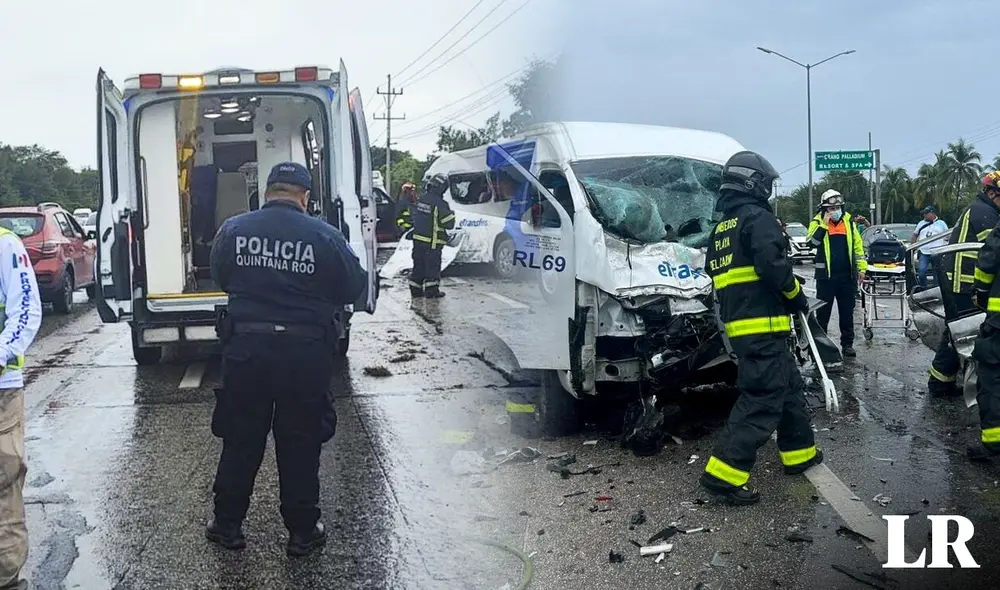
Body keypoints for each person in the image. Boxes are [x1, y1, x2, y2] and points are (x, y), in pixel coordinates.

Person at [206, 162, 367, 557]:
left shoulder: (235, 229)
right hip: (304, 354)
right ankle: (302, 532)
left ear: (268, 191)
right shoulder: (325, 236)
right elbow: (354, 286)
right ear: (304, 196)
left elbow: (220, 275)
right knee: (300, 441)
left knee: (241, 438)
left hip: (247, 352)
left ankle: (227, 525)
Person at [700, 150, 821, 506]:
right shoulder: (757, 218)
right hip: (764, 327)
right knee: (763, 398)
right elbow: (774, 269)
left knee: (789, 390)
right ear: (753, 182)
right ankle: (722, 475)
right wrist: (797, 295)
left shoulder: (722, 229)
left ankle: (800, 455)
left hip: (742, 328)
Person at [927, 173, 1000, 395]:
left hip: (961, 282)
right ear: (991, 193)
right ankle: (941, 382)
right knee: (964, 333)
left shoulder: (983, 209)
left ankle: (941, 380)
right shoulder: (984, 212)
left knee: (956, 332)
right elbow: (993, 251)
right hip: (966, 283)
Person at [0, 226, 41, 590]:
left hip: (0, 392)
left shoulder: (6, 246)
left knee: (3, 484)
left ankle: (7, 579)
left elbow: (26, 311)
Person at [806, 189, 867, 357]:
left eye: (837, 207)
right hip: (825, 277)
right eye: (831, 209)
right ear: (824, 209)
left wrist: (862, 268)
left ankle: (847, 344)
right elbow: (812, 243)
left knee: (847, 313)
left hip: (846, 276)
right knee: (823, 313)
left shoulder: (848, 222)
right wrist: (823, 226)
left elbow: (857, 247)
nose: (834, 211)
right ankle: (820, 345)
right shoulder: (816, 222)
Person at [408, 172, 456, 298]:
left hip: (418, 241)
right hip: (432, 243)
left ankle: (415, 290)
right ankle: (431, 291)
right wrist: (452, 214)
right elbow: (448, 223)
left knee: (418, 266)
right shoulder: (440, 204)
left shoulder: (421, 200)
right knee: (432, 267)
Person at [911, 205, 949, 290]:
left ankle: (936, 289)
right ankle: (923, 288)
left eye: (926, 214)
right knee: (921, 271)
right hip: (924, 252)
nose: (924, 215)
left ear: (932, 213)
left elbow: (947, 236)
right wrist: (912, 248)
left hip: (937, 252)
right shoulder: (921, 223)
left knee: (937, 272)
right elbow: (914, 235)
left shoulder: (941, 224)